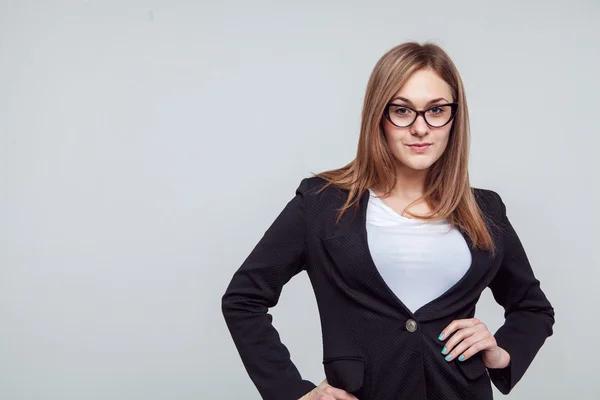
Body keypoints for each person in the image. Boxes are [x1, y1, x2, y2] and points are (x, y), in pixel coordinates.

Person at [221, 41, 555, 400]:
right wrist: (293, 392)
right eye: (402, 110)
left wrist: (502, 353)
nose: (421, 128)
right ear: (379, 116)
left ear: (454, 118)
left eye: (437, 110)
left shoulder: (485, 211)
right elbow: (243, 299)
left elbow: (532, 308)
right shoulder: (322, 204)